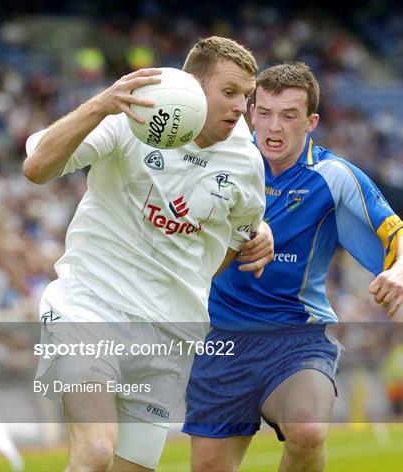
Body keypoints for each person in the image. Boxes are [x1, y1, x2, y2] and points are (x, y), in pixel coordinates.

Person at [23, 36, 273, 471]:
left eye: (246, 97)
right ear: (192, 86)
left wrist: (258, 233)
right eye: (229, 92)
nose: (240, 108)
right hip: (91, 308)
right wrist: (99, 105)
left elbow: (231, 244)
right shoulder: (130, 116)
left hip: (171, 334)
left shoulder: (246, 161)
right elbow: (37, 168)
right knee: (95, 451)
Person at [183, 62, 403, 472]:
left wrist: (401, 272)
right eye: (265, 113)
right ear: (251, 112)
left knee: (308, 430)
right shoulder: (217, 162)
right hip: (220, 340)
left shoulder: (333, 176)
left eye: (289, 116)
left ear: (311, 122)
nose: (274, 127)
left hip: (296, 339)